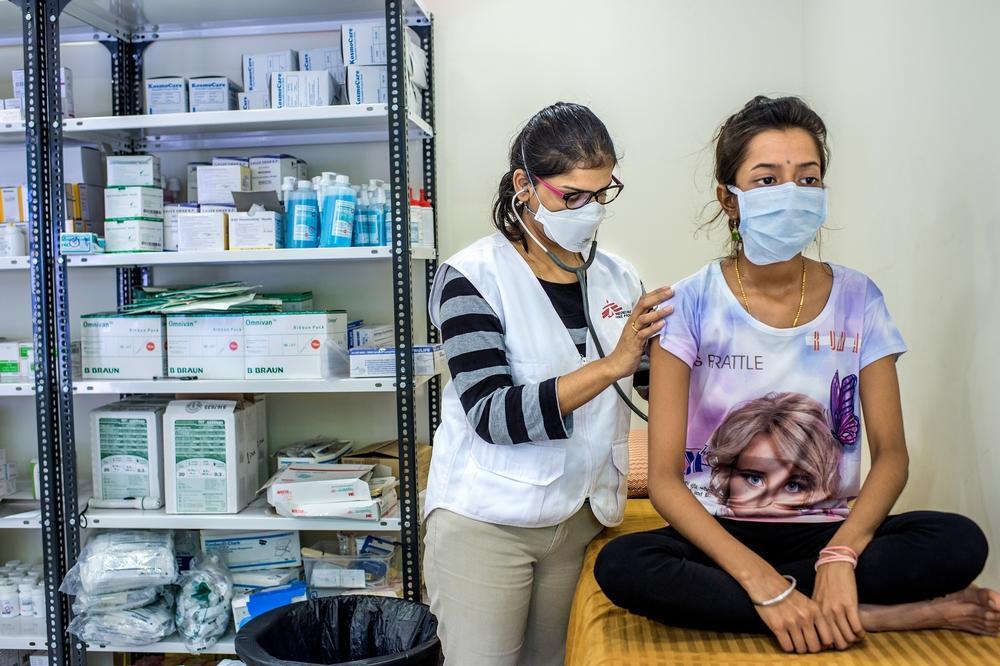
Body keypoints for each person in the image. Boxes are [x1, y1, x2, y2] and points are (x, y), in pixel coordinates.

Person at [595, 96, 998, 653]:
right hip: (721, 531)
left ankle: (813, 596)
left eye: (808, 180)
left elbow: (892, 454)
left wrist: (841, 554)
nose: (790, 194)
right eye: (766, 180)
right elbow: (663, 480)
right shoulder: (684, 304)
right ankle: (885, 617)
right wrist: (760, 581)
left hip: (828, 530)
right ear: (728, 199)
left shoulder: (860, 298)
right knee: (624, 564)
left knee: (958, 542)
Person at [422, 102, 673, 665]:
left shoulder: (618, 275)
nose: (589, 210)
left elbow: (652, 381)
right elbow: (492, 414)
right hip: (488, 524)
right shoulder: (471, 277)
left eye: (601, 194)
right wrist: (612, 364)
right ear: (524, 185)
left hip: (580, 518)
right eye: (571, 195)